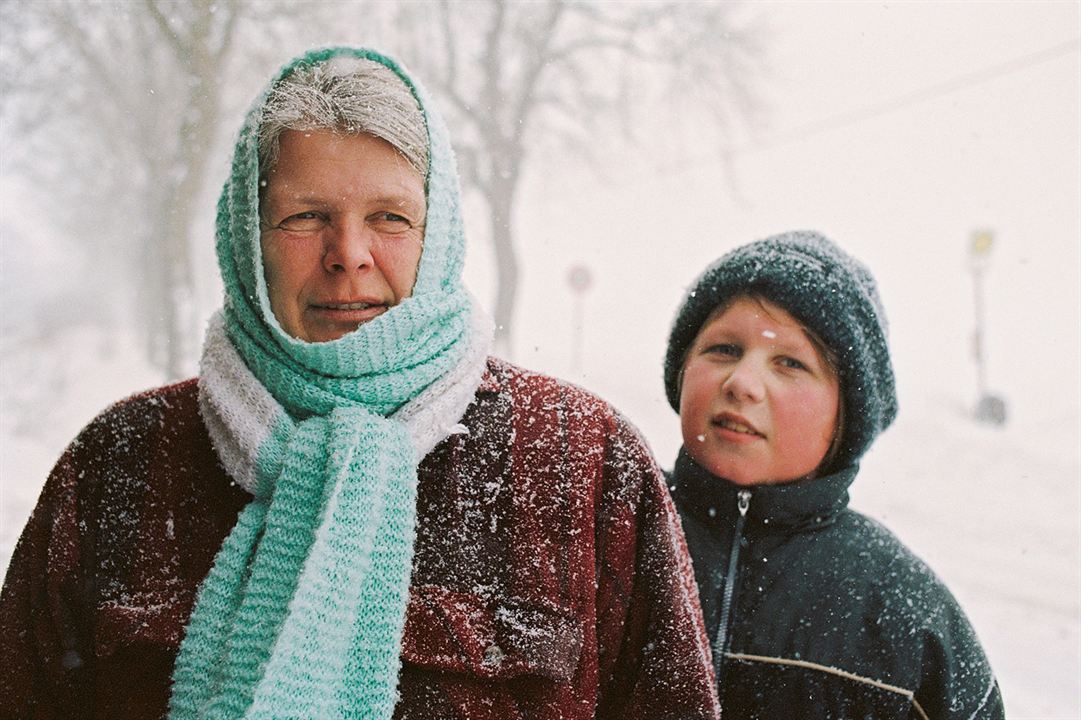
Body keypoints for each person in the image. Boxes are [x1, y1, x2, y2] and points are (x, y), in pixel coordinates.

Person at [0, 47, 718, 720]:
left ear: (437, 234)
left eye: (389, 218)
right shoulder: (119, 463)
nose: (349, 254)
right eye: (306, 217)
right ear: (249, 235)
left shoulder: (581, 459)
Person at [663, 230, 1005, 719]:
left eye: (789, 363)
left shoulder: (904, 609)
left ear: (844, 417)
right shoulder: (605, 528)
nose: (742, 382)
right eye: (723, 349)